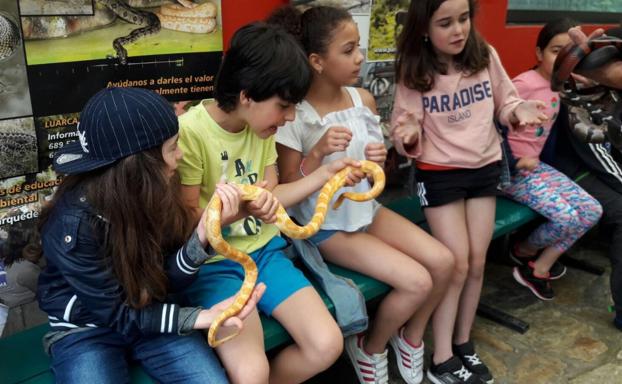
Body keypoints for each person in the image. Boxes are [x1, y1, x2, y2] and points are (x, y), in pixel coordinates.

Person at [267, 6, 454, 384]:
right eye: (349, 50)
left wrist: (378, 160)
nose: (360, 58)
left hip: (366, 210)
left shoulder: (362, 100)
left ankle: (411, 336)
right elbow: (288, 185)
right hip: (329, 227)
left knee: (444, 262)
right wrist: (317, 152)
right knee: (417, 281)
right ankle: (370, 347)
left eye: (360, 48)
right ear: (317, 61)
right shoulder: (296, 114)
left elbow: (374, 174)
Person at [37, 87, 265, 384]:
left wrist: (203, 234)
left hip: (152, 314)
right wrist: (198, 317)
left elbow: (163, 282)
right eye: (172, 148)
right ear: (139, 166)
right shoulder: (74, 226)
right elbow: (118, 315)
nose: (180, 156)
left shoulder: (153, 192)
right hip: (87, 330)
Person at [177, 23, 362, 384]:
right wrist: (238, 210)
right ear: (247, 96)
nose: (290, 117)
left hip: (266, 254)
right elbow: (186, 220)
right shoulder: (192, 132)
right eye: (284, 106)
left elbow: (272, 198)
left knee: (327, 345)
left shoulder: (261, 128)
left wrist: (326, 175)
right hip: (216, 266)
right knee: (251, 372)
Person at [391, 1, 548, 383]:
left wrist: (518, 111)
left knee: (477, 262)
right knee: (457, 263)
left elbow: (506, 101)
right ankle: (441, 358)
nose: (459, 30)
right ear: (424, 28)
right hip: (441, 172)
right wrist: (407, 135)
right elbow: (404, 122)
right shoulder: (415, 68)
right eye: (446, 23)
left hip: (484, 167)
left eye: (464, 19)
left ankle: (463, 344)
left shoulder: (484, 55)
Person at [502, 18, 602, 300]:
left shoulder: (562, 84)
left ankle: (534, 263)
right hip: (510, 172)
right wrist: (512, 162)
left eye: (572, 53)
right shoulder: (524, 84)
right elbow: (490, 125)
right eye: (556, 51)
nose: (564, 59)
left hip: (536, 169)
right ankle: (523, 252)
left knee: (591, 210)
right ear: (538, 53)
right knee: (567, 218)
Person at [542, 26, 622, 331]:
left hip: (602, 166)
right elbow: (599, 155)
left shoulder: (610, 93)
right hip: (577, 168)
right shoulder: (573, 102)